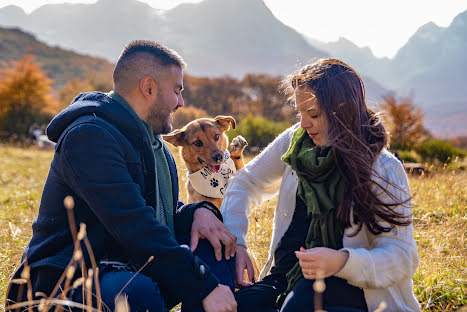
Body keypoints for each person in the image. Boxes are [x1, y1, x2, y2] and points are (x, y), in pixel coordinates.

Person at [6, 40, 237, 312]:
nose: (181, 102)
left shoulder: (155, 146)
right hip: (66, 283)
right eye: (176, 91)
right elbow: (134, 224)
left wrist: (200, 211)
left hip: (127, 264)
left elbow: (156, 211)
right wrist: (203, 285)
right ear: (149, 88)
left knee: (215, 244)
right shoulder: (89, 137)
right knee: (133, 292)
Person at [220, 58, 420, 312]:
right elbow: (245, 183)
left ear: (343, 111)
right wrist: (237, 241)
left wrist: (342, 262)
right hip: (285, 279)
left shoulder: (383, 168)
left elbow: (403, 257)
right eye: (300, 113)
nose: (303, 123)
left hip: (356, 292)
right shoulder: (297, 142)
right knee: (221, 307)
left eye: (313, 114)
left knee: (298, 307)